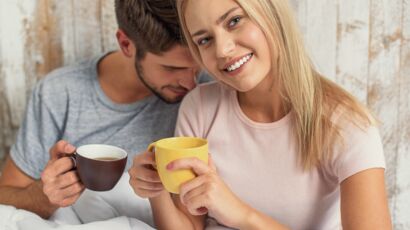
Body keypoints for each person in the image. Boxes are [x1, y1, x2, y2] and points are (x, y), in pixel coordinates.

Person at [128, 0, 392, 229]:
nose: (222, 50)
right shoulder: (199, 107)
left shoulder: (347, 125)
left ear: (272, 14)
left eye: (234, 21)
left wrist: (242, 215)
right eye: (205, 40)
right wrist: (157, 191)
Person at [0, 0, 208, 220]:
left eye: (196, 64)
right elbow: (5, 194)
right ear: (126, 44)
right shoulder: (59, 94)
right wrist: (46, 195)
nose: (190, 83)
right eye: (172, 68)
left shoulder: (209, 87)